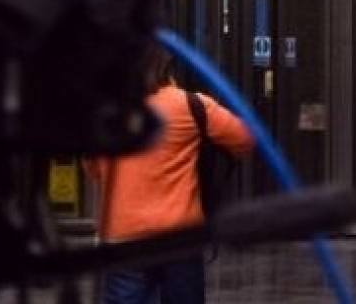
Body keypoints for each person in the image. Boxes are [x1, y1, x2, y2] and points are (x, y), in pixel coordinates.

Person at [84, 44, 253, 304]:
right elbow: (245, 138)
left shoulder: (108, 112)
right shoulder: (191, 105)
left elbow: (94, 169)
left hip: (122, 238)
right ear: (167, 68)